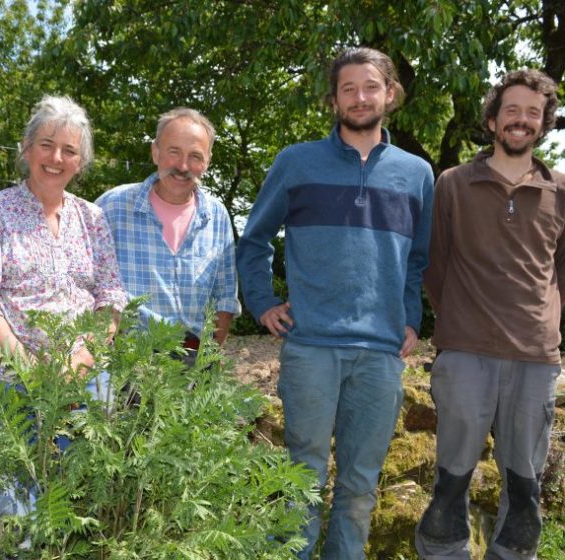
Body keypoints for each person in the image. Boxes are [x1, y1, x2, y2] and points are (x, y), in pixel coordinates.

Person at [236, 47, 433, 559]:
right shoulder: (297, 162)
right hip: (311, 348)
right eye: (348, 89)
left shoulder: (416, 174)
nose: (360, 97)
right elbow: (253, 240)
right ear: (334, 99)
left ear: (390, 93)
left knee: (361, 485)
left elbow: (419, 257)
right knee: (301, 476)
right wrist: (261, 302)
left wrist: (411, 317)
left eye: (370, 87)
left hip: (380, 355)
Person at [0, 94, 128, 560]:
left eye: (69, 150)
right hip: (3, 382)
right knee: (5, 521)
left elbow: (111, 297)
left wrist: (82, 358)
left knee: (72, 517)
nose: (57, 158)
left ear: (81, 161)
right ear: (27, 148)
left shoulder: (92, 219)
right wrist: (28, 366)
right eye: (47, 145)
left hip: (82, 386)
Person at [415, 69, 564, 560]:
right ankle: (442, 554)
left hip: (535, 359)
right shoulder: (453, 183)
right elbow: (433, 265)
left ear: (543, 124)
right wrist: (462, 318)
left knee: (524, 487)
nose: (521, 120)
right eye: (512, 110)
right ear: (494, 119)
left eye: (532, 113)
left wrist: (544, 323)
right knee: (451, 479)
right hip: (464, 356)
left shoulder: (560, 192)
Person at [95, 107, 240, 353]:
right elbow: (88, 285)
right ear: (155, 152)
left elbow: (224, 298)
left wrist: (205, 363)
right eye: (174, 152)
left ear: (207, 161)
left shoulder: (217, 217)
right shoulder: (112, 207)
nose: (183, 166)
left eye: (195, 156)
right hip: (123, 360)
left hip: (190, 361)